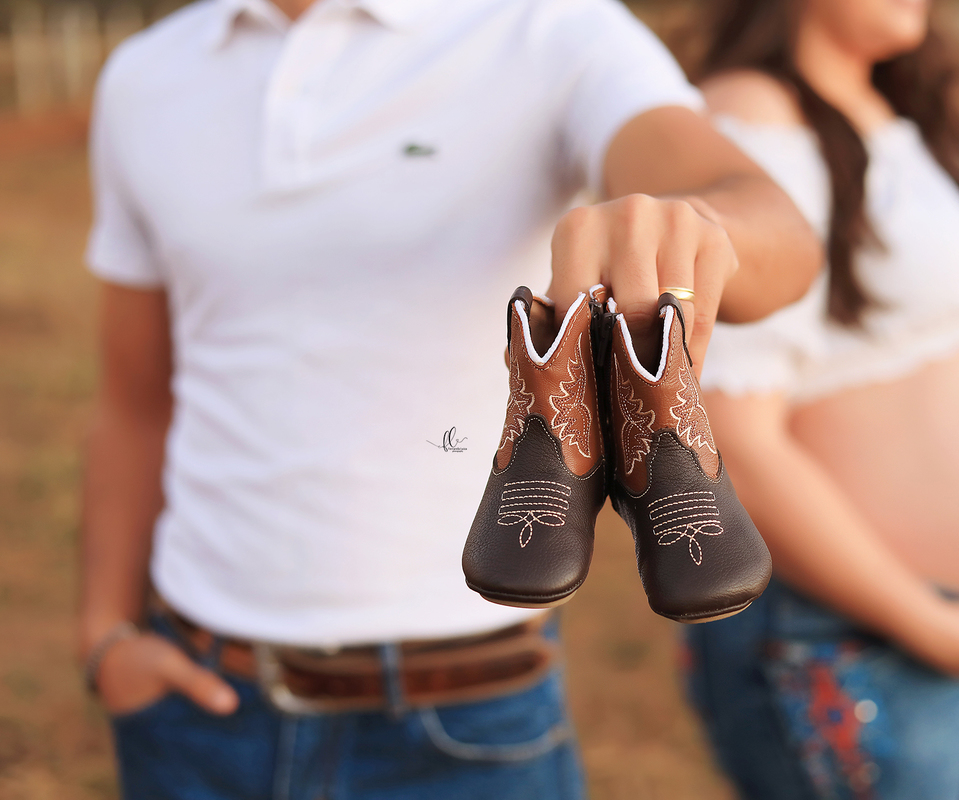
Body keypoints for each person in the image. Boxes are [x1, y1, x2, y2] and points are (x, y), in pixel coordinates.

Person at [78, 0, 822, 795]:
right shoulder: (146, 76)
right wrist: (105, 635)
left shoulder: (549, 28)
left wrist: (700, 226)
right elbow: (136, 403)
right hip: (199, 710)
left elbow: (775, 225)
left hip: (465, 720)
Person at [683, 0, 959, 798]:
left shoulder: (897, 110)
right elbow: (733, 440)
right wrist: (937, 629)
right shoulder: (754, 117)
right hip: (866, 633)